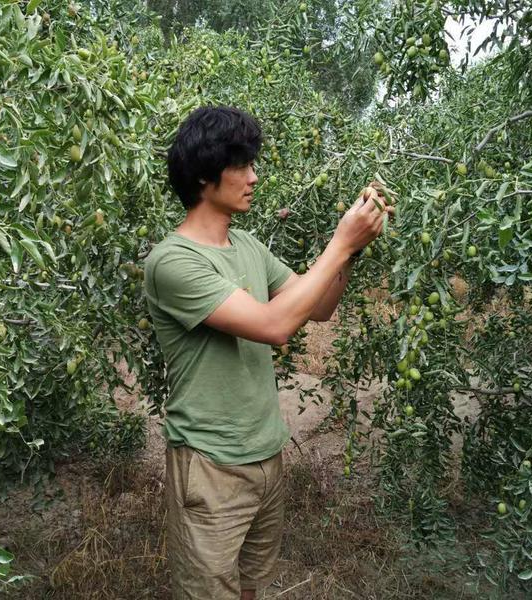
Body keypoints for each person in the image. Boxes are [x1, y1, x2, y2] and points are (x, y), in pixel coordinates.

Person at [143, 106, 393, 600]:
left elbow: (318, 306)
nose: (254, 177)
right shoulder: (172, 262)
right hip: (210, 467)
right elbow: (275, 326)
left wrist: (351, 250)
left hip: (266, 456)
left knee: (252, 588)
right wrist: (340, 243)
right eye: (241, 165)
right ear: (204, 176)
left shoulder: (248, 245)